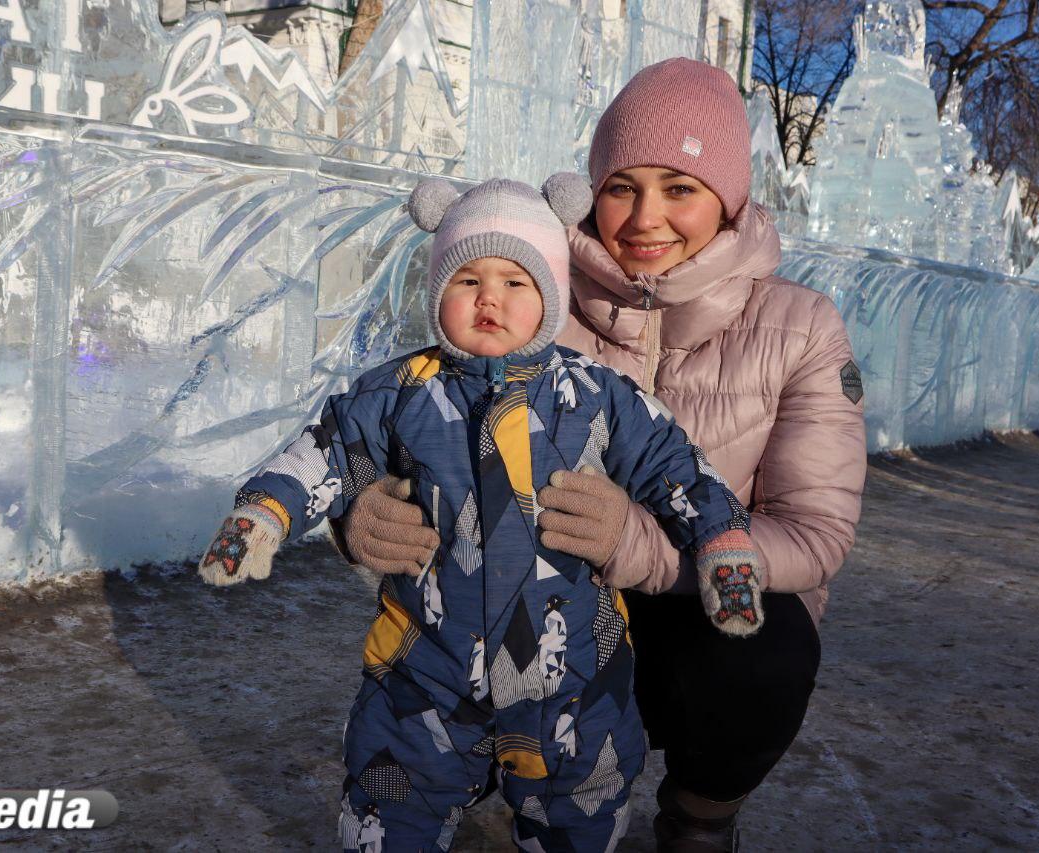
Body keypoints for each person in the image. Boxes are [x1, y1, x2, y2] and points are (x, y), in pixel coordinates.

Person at [335, 57, 868, 850]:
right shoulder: (529, 290)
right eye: (622, 187)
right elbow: (407, 420)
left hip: (693, 610)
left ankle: (700, 813)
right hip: (540, 600)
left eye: (680, 189)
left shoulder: (800, 326)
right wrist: (359, 508)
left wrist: (637, 545)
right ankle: (474, 774)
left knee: (767, 643)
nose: (645, 217)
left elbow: (816, 533)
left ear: (729, 201)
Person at [198, 174, 765, 851]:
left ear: (551, 296)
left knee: (579, 810)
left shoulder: (596, 396)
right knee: (392, 802)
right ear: (439, 292)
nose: (490, 297)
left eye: (516, 282)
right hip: (425, 673)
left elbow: (676, 465)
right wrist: (263, 513)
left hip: (572, 677)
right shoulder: (396, 392)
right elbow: (322, 451)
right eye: (467, 279)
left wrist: (722, 541)